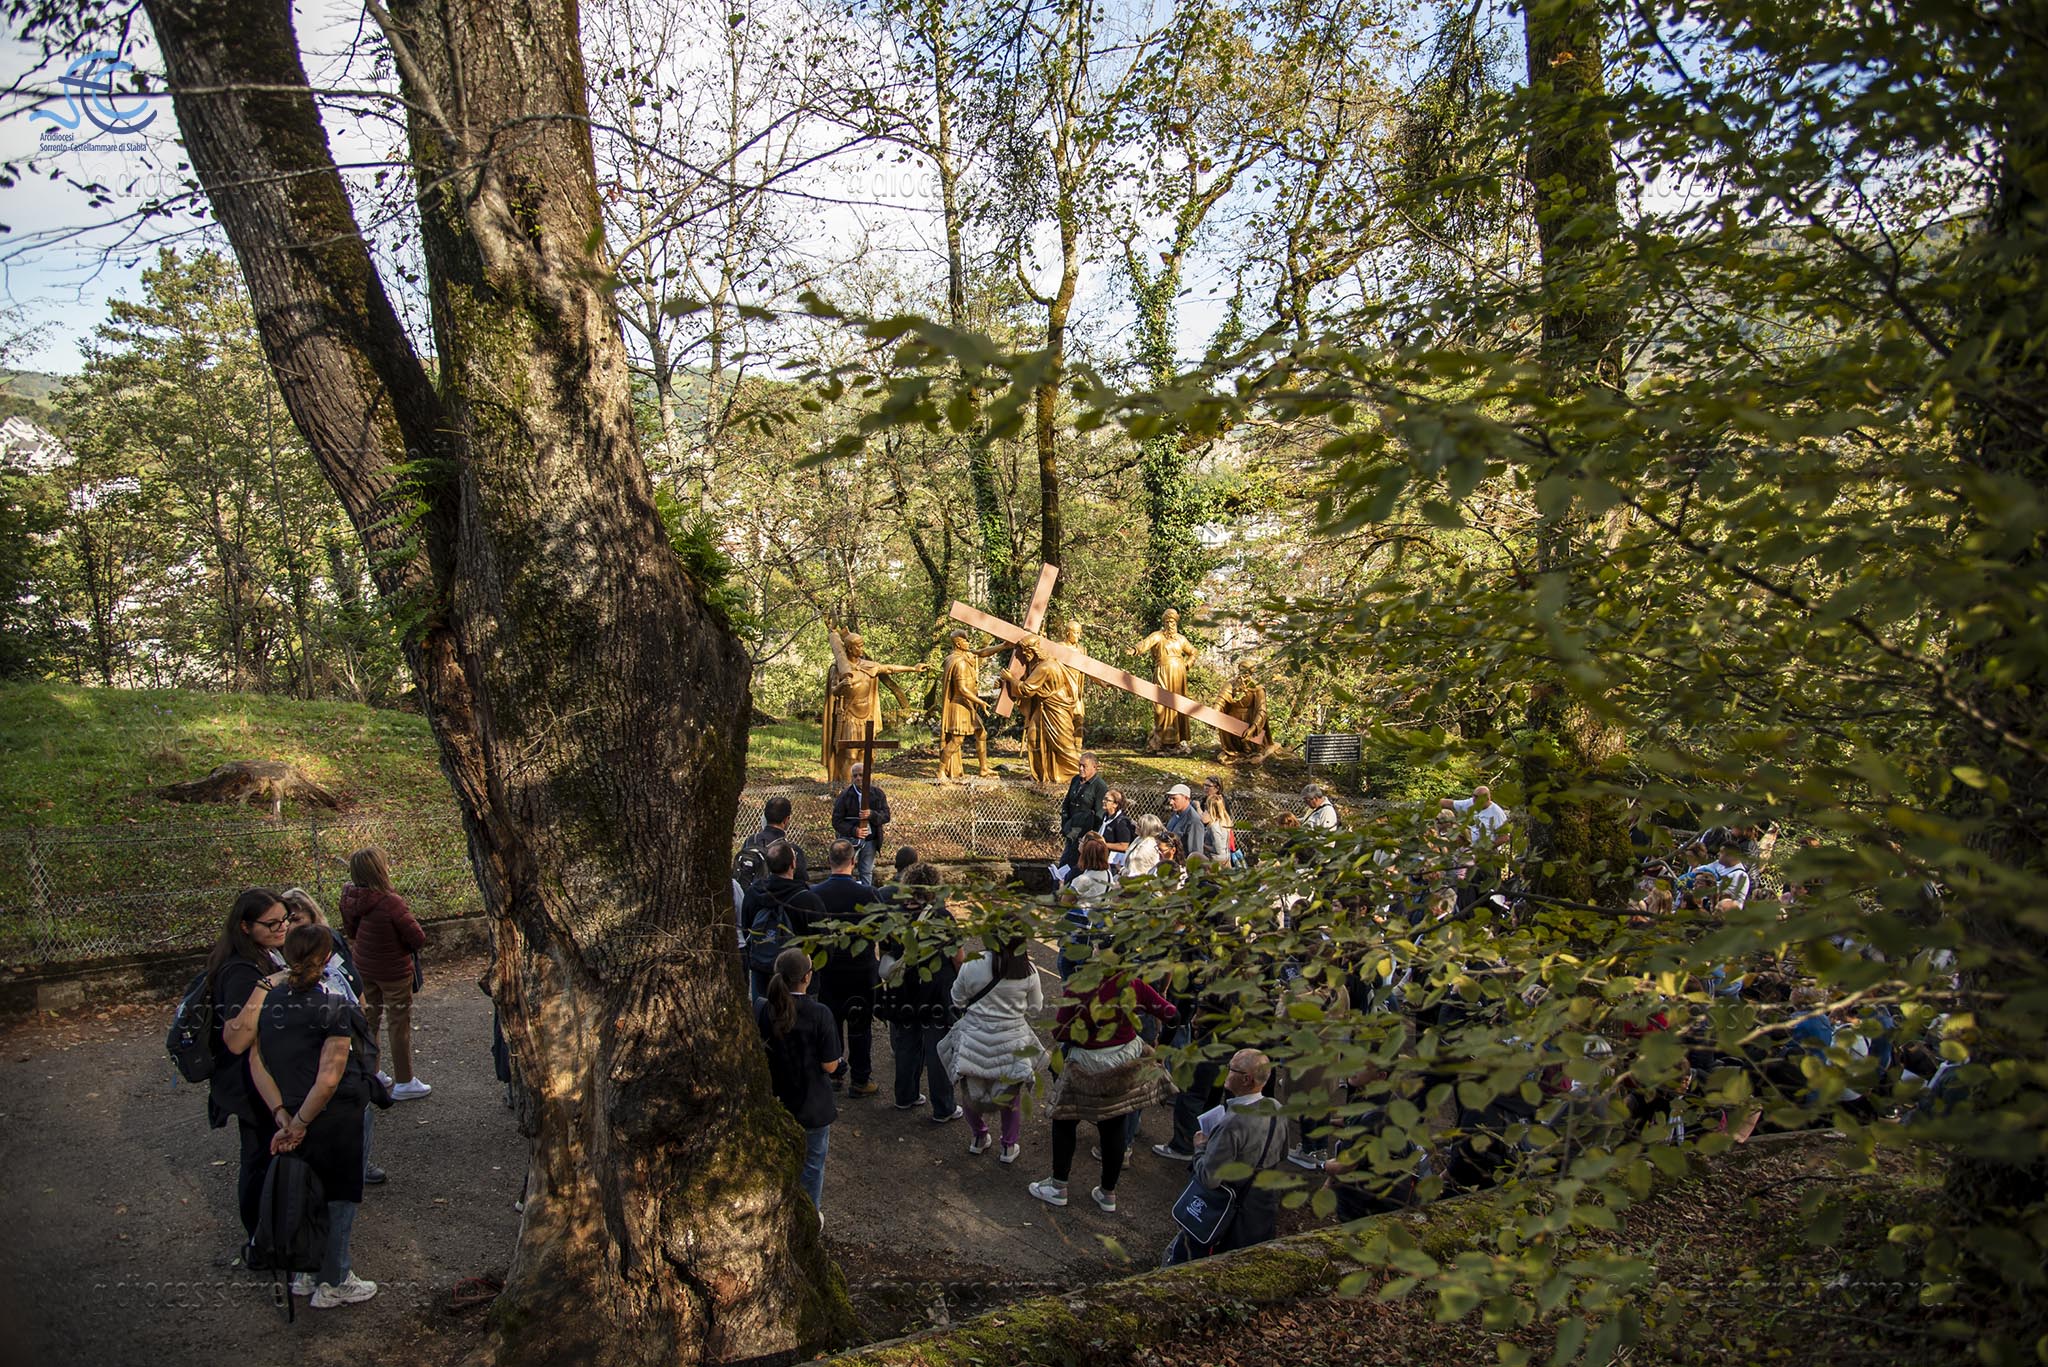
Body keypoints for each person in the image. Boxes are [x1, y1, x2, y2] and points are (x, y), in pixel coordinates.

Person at [245, 924, 379, 1306]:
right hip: (334, 1117)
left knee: (306, 1192)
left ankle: (305, 1270)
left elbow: (257, 1061)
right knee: (339, 1197)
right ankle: (334, 1279)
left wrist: (282, 1115)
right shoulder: (333, 1004)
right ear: (325, 958)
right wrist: (301, 1123)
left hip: (291, 1108)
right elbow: (329, 1078)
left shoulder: (269, 1000)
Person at [1030, 971, 1178, 1214]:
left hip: (1086, 1063)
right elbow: (1172, 1013)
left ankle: (1058, 1186)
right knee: (1115, 1123)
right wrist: (1163, 1047)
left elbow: (1059, 1032)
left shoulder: (1081, 986)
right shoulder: (1134, 985)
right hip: (1123, 1060)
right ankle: (1108, 1193)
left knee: (1065, 1120)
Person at [205, 887, 291, 1249]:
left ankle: (270, 1232)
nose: (281, 927)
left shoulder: (264, 954)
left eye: (285, 919)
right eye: (271, 923)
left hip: (262, 1077)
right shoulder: (241, 971)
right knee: (259, 1158)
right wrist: (269, 983)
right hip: (250, 1083)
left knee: (265, 1156)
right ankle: (260, 1239)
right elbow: (238, 1039)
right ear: (245, 926)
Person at [281, 888, 384, 1186]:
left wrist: (361, 1013)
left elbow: (352, 976)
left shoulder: (331, 941)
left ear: (312, 916)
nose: (290, 926)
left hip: (347, 1030)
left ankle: (359, 1164)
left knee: (358, 1108)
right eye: (286, 921)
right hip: (318, 1040)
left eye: (296, 919)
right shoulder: (287, 958)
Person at [1167, 1048, 1289, 1263]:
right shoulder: (1276, 1108)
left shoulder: (1233, 1123)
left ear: (1246, 1079)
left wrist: (1200, 1148)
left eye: (1231, 1069)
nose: (1226, 1072)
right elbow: (1282, 1153)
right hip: (1259, 1206)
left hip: (1226, 1209)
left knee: (1183, 1257)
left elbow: (1209, 1178)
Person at [756, 947, 843, 1222]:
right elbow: (830, 1065)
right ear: (807, 977)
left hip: (777, 1098)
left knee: (778, 1161)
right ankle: (808, 1218)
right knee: (812, 1165)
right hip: (812, 1103)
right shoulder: (819, 1013)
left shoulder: (764, 1009)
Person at [940, 938, 1045, 1164]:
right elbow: (1036, 1007)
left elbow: (957, 999)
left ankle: (978, 1137)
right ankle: (1008, 1147)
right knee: (1010, 1095)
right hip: (1012, 1043)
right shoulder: (1027, 969)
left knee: (971, 1092)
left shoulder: (973, 963)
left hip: (974, 1039)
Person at [339, 848, 430, 1101]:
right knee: (398, 1024)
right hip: (394, 971)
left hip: (364, 966)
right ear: (380, 869)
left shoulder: (349, 897)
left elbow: (351, 932)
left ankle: (372, 1072)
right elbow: (417, 937)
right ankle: (405, 1081)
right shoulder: (391, 902)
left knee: (369, 1020)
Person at [883, 864, 963, 1122]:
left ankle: (905, 1096)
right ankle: (943, 1106)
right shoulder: (942, 917)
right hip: (936, 990)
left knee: (906, 1044)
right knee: (938, 1048)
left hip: (904, 988)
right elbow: (958, 957)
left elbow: (885, 951)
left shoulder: (894, 916)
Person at [811, 839, 882, 1096]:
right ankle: (860, 1079)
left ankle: (834, 1073)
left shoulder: (815, 894)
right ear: (853, 861)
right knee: (860, 1026)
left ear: (829, 861)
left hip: (827, 970)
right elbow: (881, 928)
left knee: (831, 1023)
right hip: (860, 969)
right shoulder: (867, 894)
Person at [821, 629, 927, 787]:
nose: (861, 649)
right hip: (850, 717)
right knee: (850, 755)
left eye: (862, 645)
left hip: (867, 717)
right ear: (849, 648)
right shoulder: (839, 668)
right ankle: (847, 788)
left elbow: (889, 668)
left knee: (864, 755)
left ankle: (863, 788)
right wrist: (842, 685)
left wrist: (913, 668)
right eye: (858, 646)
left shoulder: (869, 666)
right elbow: (834, 690)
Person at [741, 841, 826, 1000]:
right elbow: (823, 941)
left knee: (765, 1011)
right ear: (793, 864)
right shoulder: (808, 899)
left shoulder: (754, 893)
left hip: (763, 970)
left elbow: (746, 929)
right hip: (799, 977)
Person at [1001, 634, 1084, 783]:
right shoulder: (1039, 665)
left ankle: (1084, 774)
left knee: (1063, 745)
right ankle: (1040, 774)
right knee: (1033, 737)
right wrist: (1004, 683)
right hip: (1043, 708)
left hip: (1056, 709)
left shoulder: (1045, 667)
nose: (1024, 654)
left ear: (1034, 650)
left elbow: (1027, 689)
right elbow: (1030, 682)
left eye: (1026, 651)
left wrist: (1010, 679)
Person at [1133, 610, 1201, 752]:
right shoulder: (1158, 636)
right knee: (1160, 705)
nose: (1170, 625)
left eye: (1173, 622)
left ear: (1176, 623)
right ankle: (1161, 739)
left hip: (1178, 674)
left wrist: (1187, 664)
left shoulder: (1181, 639)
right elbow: (1145, 643)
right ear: (1164, 623)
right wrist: (1135, 650)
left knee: (1177, 704)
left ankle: (1176, 741)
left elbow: (1193, 652)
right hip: (1162, 673)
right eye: (1167, 622)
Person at [936, 630, 993, 781]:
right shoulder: (959, 662)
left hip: (968, 705)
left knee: (981, 733)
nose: (968, 643)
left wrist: (1003, 646)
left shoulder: (965, 656)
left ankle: (984, 768)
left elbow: (982, 652)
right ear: (958, 643)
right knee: (957, 740)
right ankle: (940, 771)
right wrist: (980, 702)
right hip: (960, 705)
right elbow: (961, 689)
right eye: (965, 641)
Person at [1058, 834, 1115, 979]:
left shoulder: (1083, 880)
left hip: (1078, 929)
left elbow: (1065, 902)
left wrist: (1062, 886)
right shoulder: (1108, 874)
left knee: (1065, 966)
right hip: (1096, 927)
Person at [831, 762, 892, 887]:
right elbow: (837, 821)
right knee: (845, 870)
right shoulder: (844, 796)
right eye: (855, 776)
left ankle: (866, 894)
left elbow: (886, 816)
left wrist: (872, 815)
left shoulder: (878, 794)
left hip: (870, 840)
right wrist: (854, 831)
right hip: (850, 840)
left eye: (861, 775)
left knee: (866, 870)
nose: (858, 778)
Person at [739, 795, 810, 887]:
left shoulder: (750, 841)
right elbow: (801, 882)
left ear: (765, 817)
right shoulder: (792, 850)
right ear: (786, 820)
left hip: (749, 893)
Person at [1058, 752, 1108, 873]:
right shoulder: (1076, 780)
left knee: (1077, 865)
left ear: (1094, 767)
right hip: (1071, 829)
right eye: (1079, 765)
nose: (1081, 769)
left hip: (1084, 834)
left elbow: (1099, 814)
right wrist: (1065, 823)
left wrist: (1090, 838)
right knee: (1064, 862)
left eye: (1084, 766)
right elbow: (1067, 802)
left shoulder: (1100, 786)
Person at [1201, 776, 1240, 867]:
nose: (1205, 788)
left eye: (1208, 786)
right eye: (1204, 785)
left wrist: (1202, 845)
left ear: (1217, 788)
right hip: (1222, 854)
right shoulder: (1205, 799)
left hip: (1217, 858)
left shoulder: (1219, 802)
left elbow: (1217, 849)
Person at [1165, 783, 1210, 862]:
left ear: (1186, 798)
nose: (1171, 802)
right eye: (1170, 798)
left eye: (1174, 799)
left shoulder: (1193, 821)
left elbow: (1195, 853)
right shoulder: (1176, 814)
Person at [1098, 789, 1136, 871]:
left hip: (1114, 863)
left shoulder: (1121, 822)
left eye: (1107, 800)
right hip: (1103, 858)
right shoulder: (1105, 816)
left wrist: (1103, 844)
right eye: (1104, 799)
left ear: (1115, 804)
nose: (1103, 801)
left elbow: (1124, 846)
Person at [1124, 813, 1166, 879]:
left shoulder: (1148, 846)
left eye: (1139, 825)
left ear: (1147, 829)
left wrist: (1122, 871)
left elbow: (1136, 870)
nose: (1136, 826)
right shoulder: (1140, 838)